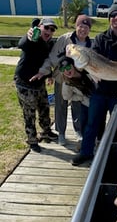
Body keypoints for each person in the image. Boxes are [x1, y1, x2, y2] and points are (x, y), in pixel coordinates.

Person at [71, 2, 117, 166]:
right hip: (99, 91)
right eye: (113, 15)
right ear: (109, 19)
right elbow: (92, 64)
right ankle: (86, 153)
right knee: (91, 125)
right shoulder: (100, 39)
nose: (116, 18)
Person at [30, 14, 92, 146]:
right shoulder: (65, 39)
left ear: (89, 30)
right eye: (80, 26)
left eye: (86, 27)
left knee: (77, 105)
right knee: (60, 105)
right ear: (76, 26)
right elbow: (52, 58)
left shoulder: (90, 43)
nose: (83, 30)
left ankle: (78, 131)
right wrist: (44, 72)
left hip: (78, 80)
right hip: (61, 78)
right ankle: (61, 133)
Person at [14, 18, 58, 153]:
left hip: (39, 83)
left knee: (44, 109)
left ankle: (46, 132)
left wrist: (49, 75)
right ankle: (32, 140)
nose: (49, 31)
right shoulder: (33, 38)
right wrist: (30, 34)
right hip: (25, 84)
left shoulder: (49, 44)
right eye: (47, 28)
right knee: (29, 114)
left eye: (52, 29)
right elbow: (22, 44)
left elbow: (46, 61)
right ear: (40, 27)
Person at [58, 56, 96, 145]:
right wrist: (80, 97)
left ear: (73, 65)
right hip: (86, 105)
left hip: (98, 101)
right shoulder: (67, 83)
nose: (67, 71)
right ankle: (85, 147)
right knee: (86, 126)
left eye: (68, 67)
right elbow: (66, 97)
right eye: (63, 69)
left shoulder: (86, 71)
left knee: (98, 126)